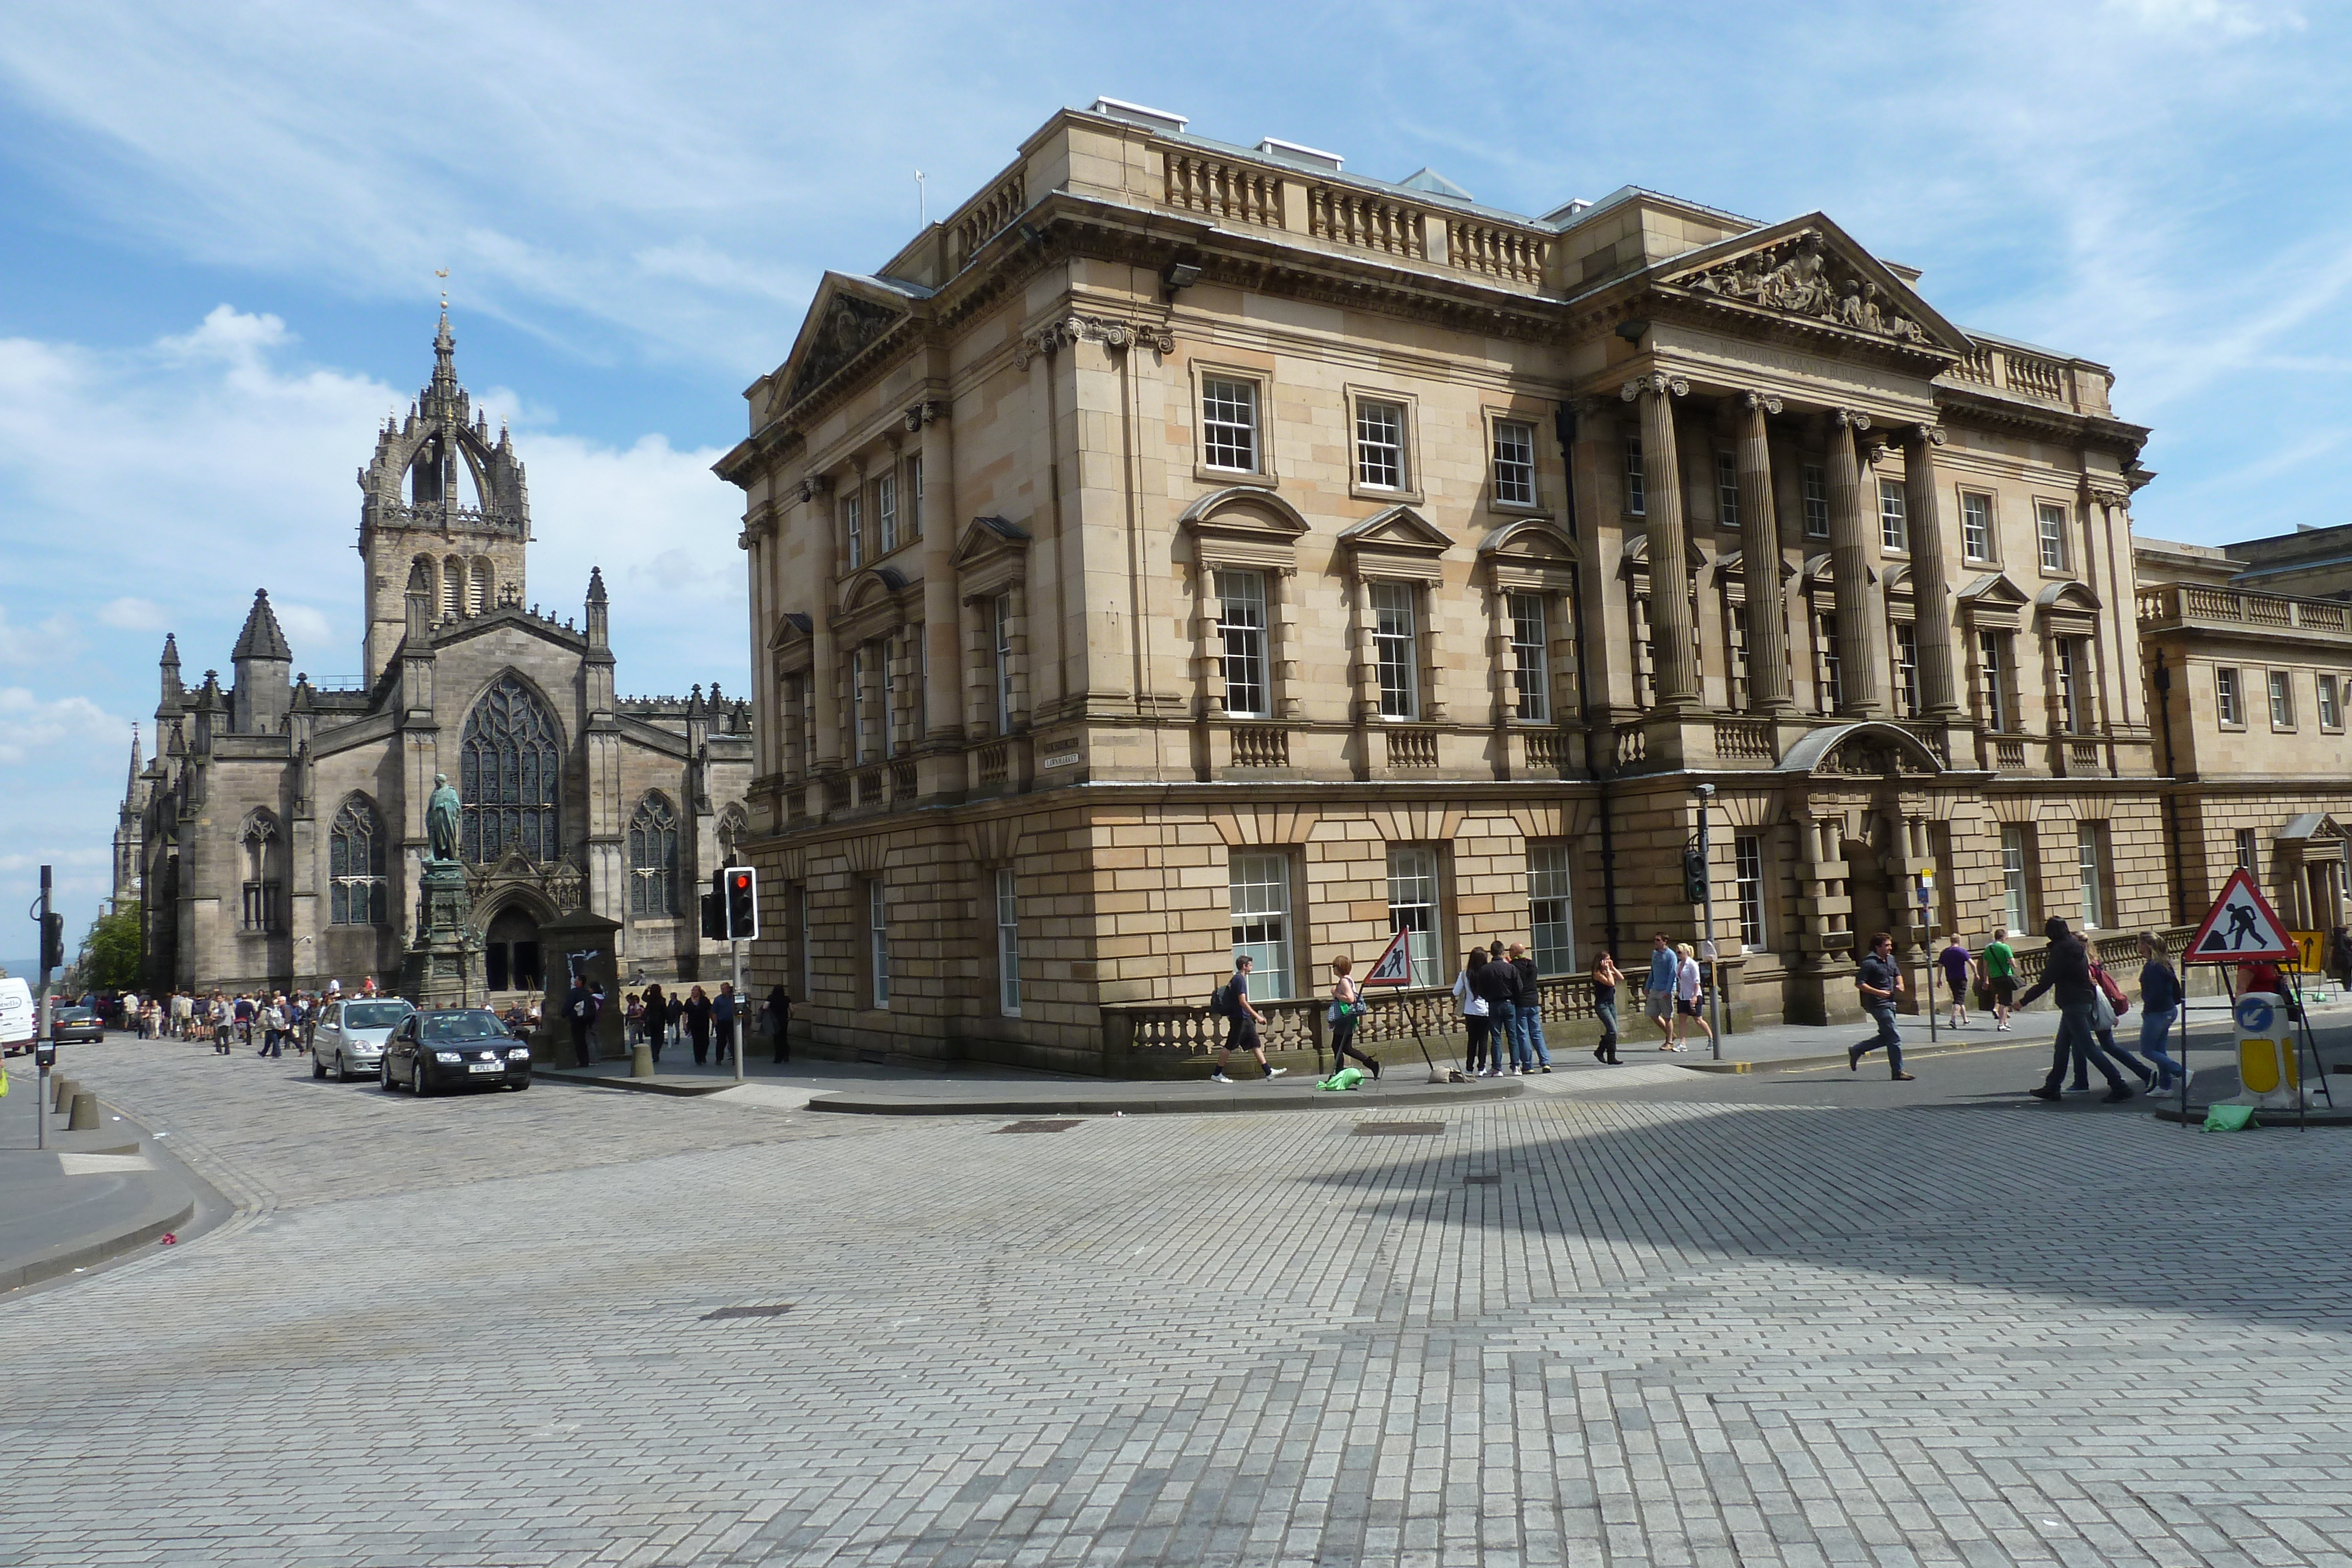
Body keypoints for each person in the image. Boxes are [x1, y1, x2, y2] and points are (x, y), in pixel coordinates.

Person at [2016, 917, 2132, 1103]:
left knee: (2088, 1048)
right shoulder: (2074, 947)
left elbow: (2046, 981)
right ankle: (2052, 1087)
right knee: (2062, 1046)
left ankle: (2120, 1085)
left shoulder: (2062, 951)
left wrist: (2023, 1001)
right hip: (2080, 1000)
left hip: (2073, 1003)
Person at [1209, 954, 1285, 1084]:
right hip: (1239, 1018)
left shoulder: (1237, 979)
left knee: (1255, 1043)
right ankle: (1217, 1073)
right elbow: (1242, 1002)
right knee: (1229, 1046)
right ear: (1244, 966)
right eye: (1250, 965)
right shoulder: (1239, 980)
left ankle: (1268, 1072)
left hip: (1244, 1018)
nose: (1252, 967)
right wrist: (1257, 1016)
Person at [1849, 932, 1915, 1079]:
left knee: (1888, 1037)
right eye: (1886, 945)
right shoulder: (1869, 963)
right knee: (1894, 1036)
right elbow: (1860, 983)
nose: (1890, 948)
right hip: (1878, 1004)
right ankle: (1898, 1072)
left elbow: (1897, 973)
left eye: (1890, 945)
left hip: (1891, 1002)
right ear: (1878, 947)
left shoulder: (1890, 959)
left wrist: (1900, 984)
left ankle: (1857, 1049)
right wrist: (1878, 992)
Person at [2133, 932, 2191, 1094]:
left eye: (2139, 943)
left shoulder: (2153, 967)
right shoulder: (2163, 963)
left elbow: (2156, 993)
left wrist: (2147, 1010)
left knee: (2147, 1050)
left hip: (2157, 1012)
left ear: (2147, 946)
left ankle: (2181, 1072)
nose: (2137, 946)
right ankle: (2165, 1087)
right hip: (2168, 1010)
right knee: (2159, 1049)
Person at [1325, 956, 1378, 1078]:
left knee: (1337, 1046)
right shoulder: (1349, 980)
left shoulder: (1344, 981)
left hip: (1344, 1017)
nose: (1333, 969)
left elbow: (1350, 999)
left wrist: (1336, 994)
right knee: (1346, 1048)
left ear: (1340, 968)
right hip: (1348, 1018)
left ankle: (1340, 1075)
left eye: (1335, 967)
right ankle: (1371, 1064)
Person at [1506, 942, 1551, 1073]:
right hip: (1534, 1001)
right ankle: (1545, 1062)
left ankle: (1528, 1065)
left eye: (1510, 950)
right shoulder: (1532, 964)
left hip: (1521, 1003)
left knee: (1523, 1034)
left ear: (1515, 952)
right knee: (1537, 1032)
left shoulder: (1513, 967)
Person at [1453, 950, 1494, 1075]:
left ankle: (1469, 1068)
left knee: (1472, 1040)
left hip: (1470, 1011)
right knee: (1483, 1040)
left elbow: (1455, 992)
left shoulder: (1465, 974)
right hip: (1485, 1010)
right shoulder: (1487, 973)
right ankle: (1482, 1068)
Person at [1673, 941, 1715, 1053]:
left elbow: (1697, 982)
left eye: (1679, 952)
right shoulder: (1679, 965)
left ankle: (1711, 1038)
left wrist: (1695, 997)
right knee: (1682, 1019)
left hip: (1693, 995)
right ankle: (1683, 1043)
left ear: (1686, 952)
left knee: (1698, 1020)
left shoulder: (1692, 964)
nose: (1678, 954)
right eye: (1677, 952)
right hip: (1683, 995)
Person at [1645, 933, 1681, 1051]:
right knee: (1652, 1014)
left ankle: (1669, 1041)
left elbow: (1672, 974)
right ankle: (1670, 1034)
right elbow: (1653, 971)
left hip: (1666, 989)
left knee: (1667, 1016)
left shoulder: (1671, 956)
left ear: (1665, 941)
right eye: (1655, 940)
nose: (1656, 942)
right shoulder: (1655, 954)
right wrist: (1647, 986)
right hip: (1655, 988)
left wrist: (1668, 990)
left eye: (1658, 940)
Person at [1591, 951, 1623, 1064]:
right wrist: (1608, 971)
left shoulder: (1608, 971)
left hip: (1611, 1004)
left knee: (1614, 1031)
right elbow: (1611, 983)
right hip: (1602, 1005)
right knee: (1612, 1031)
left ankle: (1611, 1056)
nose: (1609, 961)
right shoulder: (1597, 973)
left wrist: (1612, 968)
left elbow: (1621, 978)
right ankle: (1600, 1050)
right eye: (1607, 959)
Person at [1983, 927, 2017, 1031]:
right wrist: (2012, 964)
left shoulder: (1988, 949)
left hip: (1994, 977)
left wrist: (1985, 980)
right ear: (2003, 937)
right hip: (2005, 976)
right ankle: (2001, 1024)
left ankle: (2005, 1021)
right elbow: (2013, 963)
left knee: (2005, 1000)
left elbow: (1985, 966)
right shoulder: (2005, 948)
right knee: (2004, 1001)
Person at [1939, 934, 1975, 1028]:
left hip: (1950, 978)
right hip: (1961, 978)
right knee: (1959, 1000)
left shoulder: (1945, 952)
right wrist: (1976, 974)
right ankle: (1953, 1020)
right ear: (1959, 941)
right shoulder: (1962, 951)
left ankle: (1965, 1020)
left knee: (1958, 998)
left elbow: (1940, 966)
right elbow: (1972, 964)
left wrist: (1939, 979)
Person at [564, 975, 600, 1068]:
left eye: (576, 980)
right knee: (584, 1040)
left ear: (580, 982)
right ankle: (586, 1060)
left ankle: (582, 1061)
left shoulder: (574, 993)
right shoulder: (587, 993)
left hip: (576, 1019)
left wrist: (563, 1014)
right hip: (586, 1019)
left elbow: (568, 1005)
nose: (575, 981)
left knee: (578, 1041)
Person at [762, 986, 792, 1063]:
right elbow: (792, 1010)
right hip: (784, 1021)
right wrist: (790, 1017)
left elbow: (765, 1007)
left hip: (774, 1021)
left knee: (777, 1039)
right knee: (784, 1038)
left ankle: (778, 1058)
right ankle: (786, 1054)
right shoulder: (786, 999)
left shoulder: (771, 998)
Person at [685, 986, 714, 1065]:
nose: (693, 992)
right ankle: (698, 1058)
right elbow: (685, 1012)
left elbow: (710, 1010)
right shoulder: (688, 1001)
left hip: (704, 1023)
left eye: (695, 990)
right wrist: (685, 1024)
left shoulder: (704, 1000)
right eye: (692, 990)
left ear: (699, 992)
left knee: (705, 1040)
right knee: (696, 1041)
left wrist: (714, 1020)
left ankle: (703, 1055)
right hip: (693, 1024)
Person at [641, 982, 667, 1063]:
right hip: (660, 1021)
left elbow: (643, 997)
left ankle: (655, 1054)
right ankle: (657, 1051)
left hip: (651, 1021)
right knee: (660, 1038)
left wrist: (646, 990)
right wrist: (669, 1019)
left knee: (654, 1038)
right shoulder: (662, 1000)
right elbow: (665, 1010)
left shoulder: (650, 999)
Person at [713, 982, 737, 1066]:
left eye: (724, 989)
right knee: (721, 1042)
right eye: (722, 989)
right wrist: (715, 1022)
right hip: (722, 1023)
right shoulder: (718, 999)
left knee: (733, 1041)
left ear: (728, 989)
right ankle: (719, 1058)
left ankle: (735, 1058)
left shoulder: (734, 999)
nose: (723, 990)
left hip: (732, 1022)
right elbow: (714, 1012)